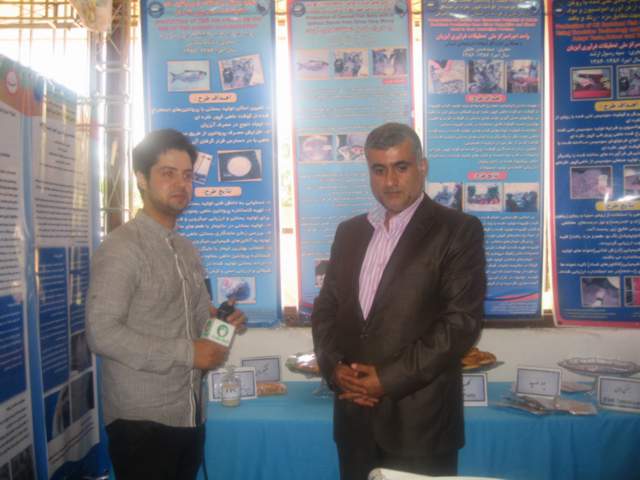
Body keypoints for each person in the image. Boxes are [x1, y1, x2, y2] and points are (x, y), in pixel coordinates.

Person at [311, 122, 486, 479]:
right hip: (354, 421)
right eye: (379, 170)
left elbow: (460, 324)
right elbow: (326, 309)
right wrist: (335, 369)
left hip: (420, 426)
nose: (390, 181)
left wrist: (386, 379)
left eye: (401, 167)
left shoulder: (458, 230)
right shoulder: (349, 232)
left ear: (422, 167)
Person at [86, 129, 246, 480]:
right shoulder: (122, 248)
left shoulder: (186, 250)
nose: (181, 184)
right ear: (142, 179)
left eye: (187, 176)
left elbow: (198, 320)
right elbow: (101, 333)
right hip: (142, 423)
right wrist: (189, 353)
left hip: (188, 412)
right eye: (168, 173)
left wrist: (221, 321)